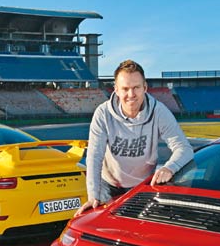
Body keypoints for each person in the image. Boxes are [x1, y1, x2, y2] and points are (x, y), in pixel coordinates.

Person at [79, 59, 194, 213]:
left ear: (145, 87)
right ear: (116, 90)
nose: (131, 94)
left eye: (136, 87)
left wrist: (169, 168)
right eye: (125, 88)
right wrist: (93, 195)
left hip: (142, 186)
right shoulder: (103, 113)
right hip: (107, 185)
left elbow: (184, 148)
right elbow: (94, 156)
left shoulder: (159, 112)